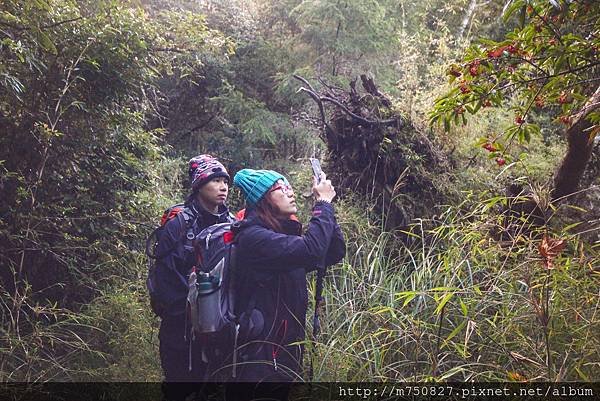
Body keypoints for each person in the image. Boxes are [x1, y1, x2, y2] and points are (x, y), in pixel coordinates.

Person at [230, 168, 345, 396]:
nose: (290, 193)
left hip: (283, 352)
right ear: (263, 199)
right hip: (259, 358)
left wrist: (326, 208)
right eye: (281, 189)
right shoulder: (254, 238)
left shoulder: (281, 236)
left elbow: (333, 251)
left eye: (290, 187)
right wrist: (322, 204)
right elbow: (312, 251)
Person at [153, 154, 233, 399]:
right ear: (199, 185)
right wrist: (190, 317)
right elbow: (164, 279)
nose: (223, 187)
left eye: (225, 182)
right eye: (215, 181)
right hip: (181, 331)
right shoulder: (178, 224)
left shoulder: (232, 224)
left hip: (222, 328)